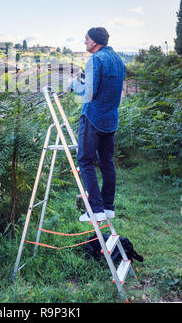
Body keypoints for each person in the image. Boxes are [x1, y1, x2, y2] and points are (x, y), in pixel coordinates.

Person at [70, 27, 125, 222]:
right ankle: (108, 207)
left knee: (85, 161)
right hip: (110, 119)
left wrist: (73, 85)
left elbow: (89, 93)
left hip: (93, 118)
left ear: (94, 41)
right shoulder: (119, 60)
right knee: (107, 162)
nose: (84, 42)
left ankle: (95, 209)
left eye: (86, 39)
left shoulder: (95, 59)